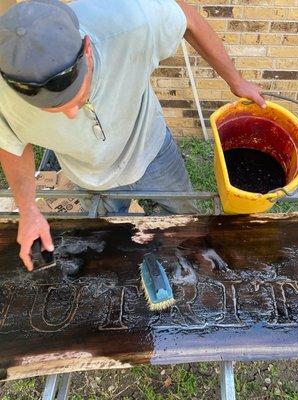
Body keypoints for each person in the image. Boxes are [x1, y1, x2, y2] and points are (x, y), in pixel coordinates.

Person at [0, 0, 265, 271]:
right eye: (54, 109)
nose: (70, 116)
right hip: (91, 174)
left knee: (185, 215)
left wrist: (236, 80)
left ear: (87, 50)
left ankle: (193, 248)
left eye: (76, 99)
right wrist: (28, 209)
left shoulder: (130, 20)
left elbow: (187, 18)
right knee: (113, 232)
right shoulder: (3, 98)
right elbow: (11, 143)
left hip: (150, 150)